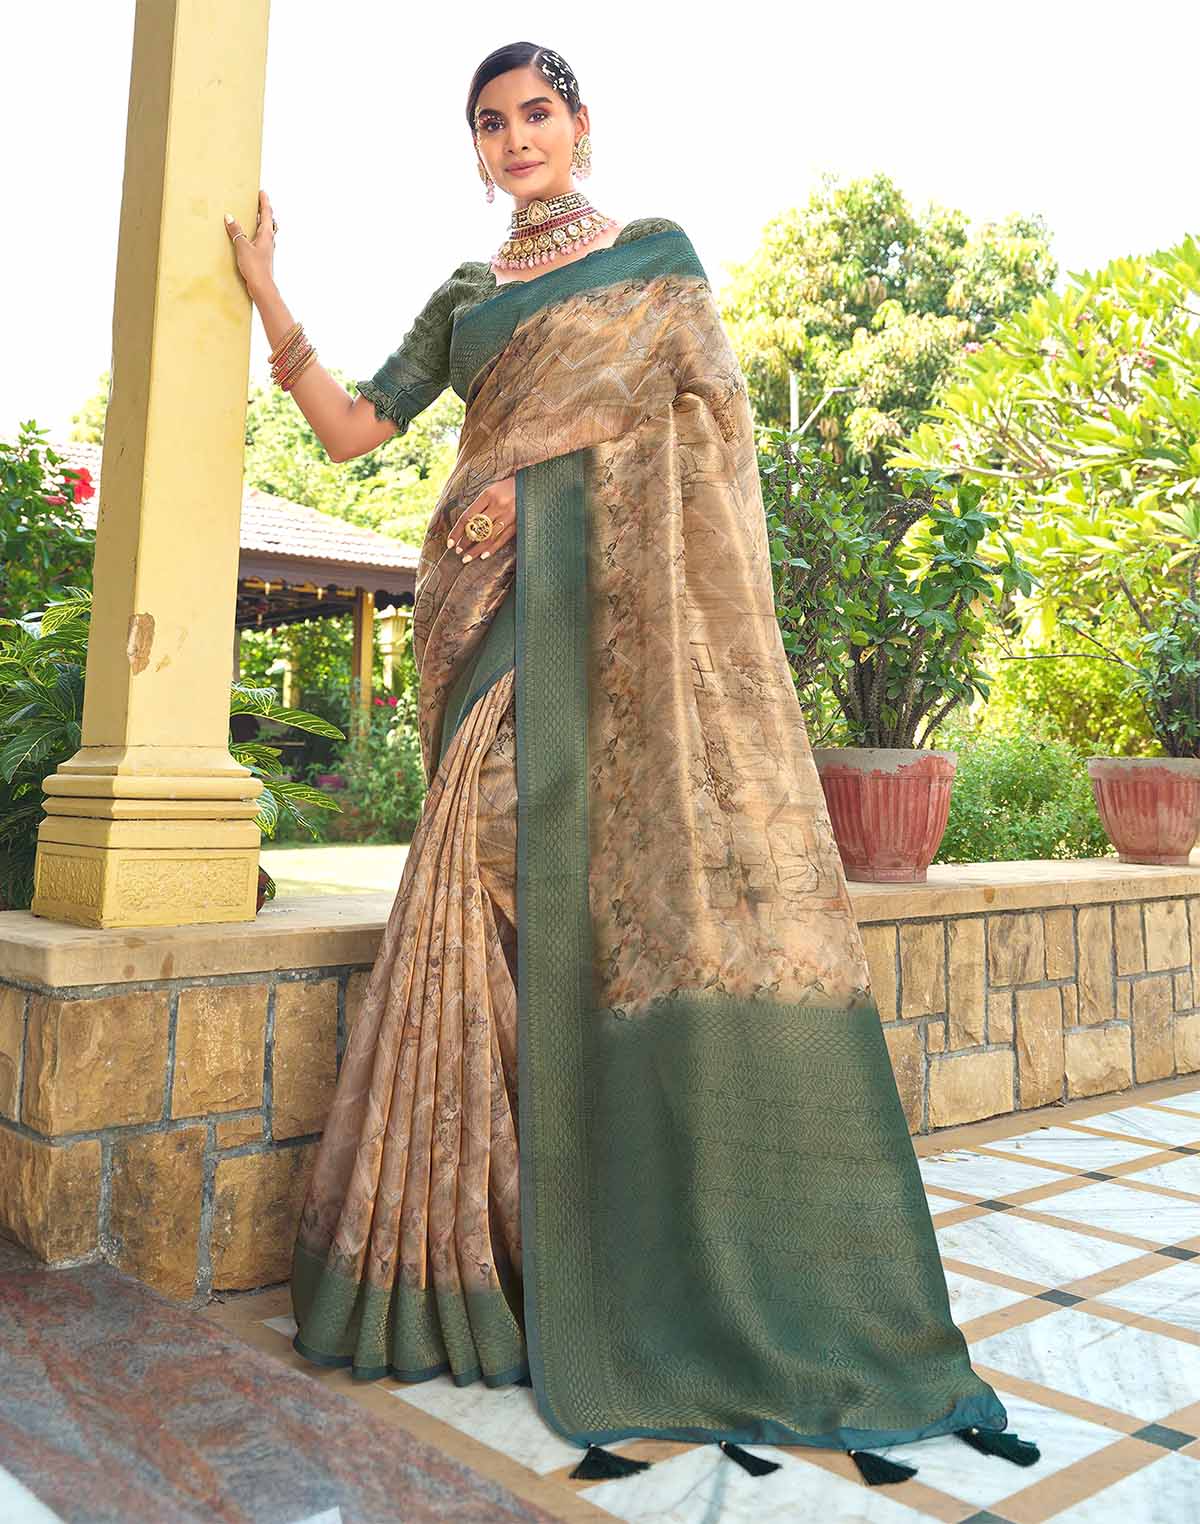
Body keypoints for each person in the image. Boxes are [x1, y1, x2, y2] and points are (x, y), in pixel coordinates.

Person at [224, 40, 1039, 1488]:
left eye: (537, 112)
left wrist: (537, 490)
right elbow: (355, 434)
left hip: (630, 651)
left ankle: (703, 1275)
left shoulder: (656, 259)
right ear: (473, 149)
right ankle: (501, 1272)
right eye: (491, 123)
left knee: (633, 933)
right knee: (491, 918)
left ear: (580, 124)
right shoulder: (467, 304)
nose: (516, 137)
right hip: (493, 654)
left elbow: (708, 440)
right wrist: (275, 302)